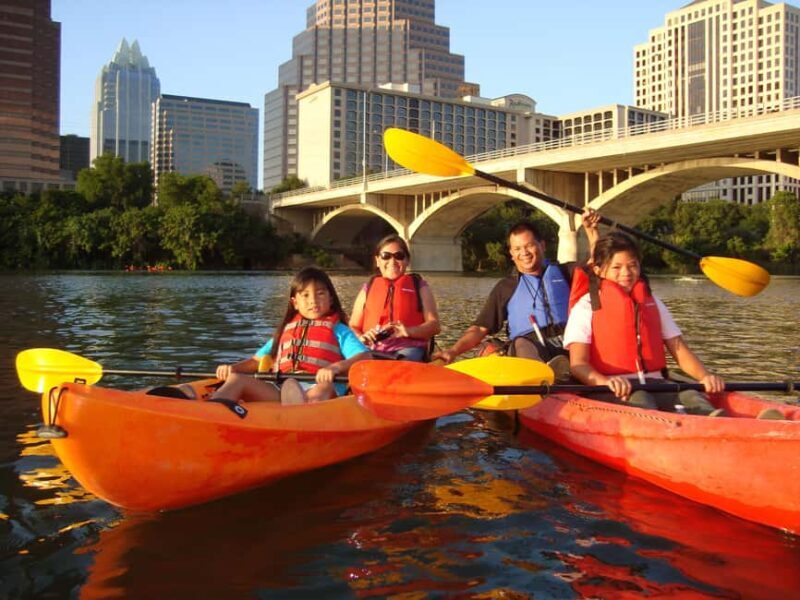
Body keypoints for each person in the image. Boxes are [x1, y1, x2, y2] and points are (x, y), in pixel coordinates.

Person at [564, 231, 724, 414]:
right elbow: (578, 365)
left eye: (633, 266)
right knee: (641, 399)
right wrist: (605, 382)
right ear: (599, 270)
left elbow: (678, 348)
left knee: (690, 395)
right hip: (612, 388)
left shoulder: (652, 301)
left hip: (657, 384)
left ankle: (717, 423)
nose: (626, 273)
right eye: (616, 267)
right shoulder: (585, 306)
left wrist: (705, 376)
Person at [434, 210, 600, 372]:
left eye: (529, 246)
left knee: (584, 339)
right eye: (518, 249)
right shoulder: (505, 287)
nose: (524, 253)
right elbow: (479, 329)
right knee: (521, 342)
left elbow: (598, 264)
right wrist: (453, 351)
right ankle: (541, 377)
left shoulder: (566, 272)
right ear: (512, 253)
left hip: (568, 341)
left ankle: (565, 372)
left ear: (542, 246)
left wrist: (591, 231)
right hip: (529, 347)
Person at [211, 267, 370, 406]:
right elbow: (256, 360)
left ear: (331, 299)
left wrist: (335, 367)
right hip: (281, 389)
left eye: (320, 293)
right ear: (295, 303)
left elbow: (364, 356)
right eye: (305, 295)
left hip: (318, 390)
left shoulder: (339, 330)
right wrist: (232, 369)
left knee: (324, 387)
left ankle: (300, 408)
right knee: (237, 380)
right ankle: (211, 411)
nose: (313, 300)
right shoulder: (286, 331)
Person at [349, 234, 441, 362]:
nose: (392, 262)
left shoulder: (419, 286)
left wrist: (407, 331)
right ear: (377, 260)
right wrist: (361, 337)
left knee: (403, 361)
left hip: (408, 349)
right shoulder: (368, 288)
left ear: (407, 261)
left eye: (399, 256)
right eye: (385, 256)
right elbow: (353, 326)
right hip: (371, 349)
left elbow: (434, 326)